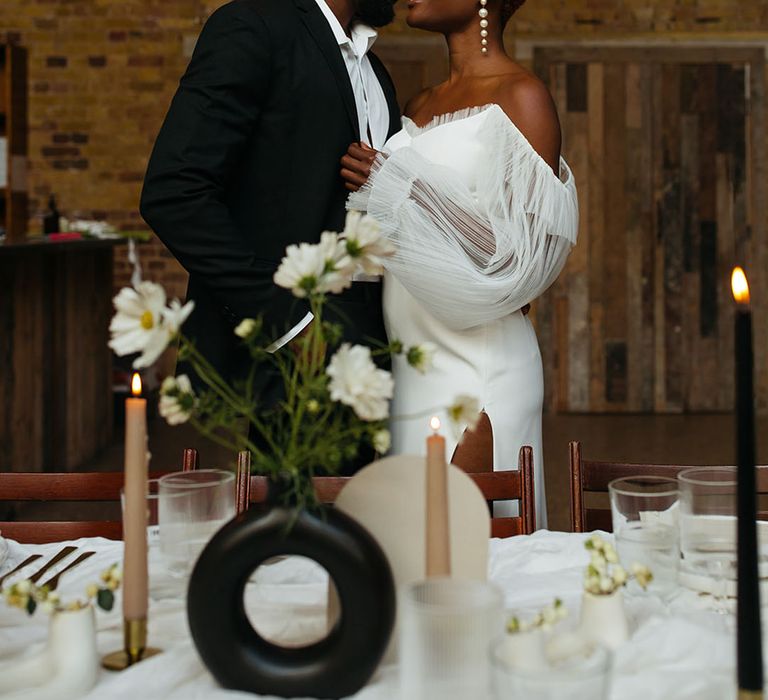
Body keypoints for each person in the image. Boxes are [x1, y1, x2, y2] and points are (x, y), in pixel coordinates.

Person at [341, 0, 579, 526]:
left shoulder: (523, 97)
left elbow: (515, 255)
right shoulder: (419, 101)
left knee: (475, 560)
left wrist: (403, 186)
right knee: (413, 552)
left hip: (479, 363)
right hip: (412, 362)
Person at [140, 0, 400, 400]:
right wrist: (288, 326)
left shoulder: (375, 71)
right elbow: (176, 190)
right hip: (281, 354)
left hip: (373, 347)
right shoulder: (252, 27)